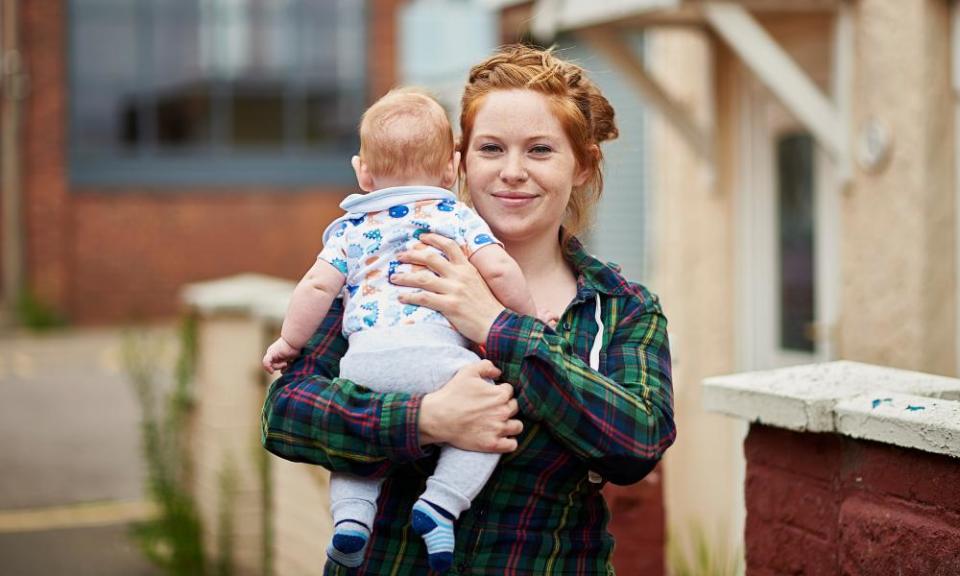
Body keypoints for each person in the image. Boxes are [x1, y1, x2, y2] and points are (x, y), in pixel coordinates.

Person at [261, 44, 676, 575]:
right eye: (491, 149)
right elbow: (287, 414)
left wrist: (497, 326)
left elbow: (637, 444)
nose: (513, 172)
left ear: (582, 165)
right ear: (457, 162)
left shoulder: (621, 310)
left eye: (541, 150)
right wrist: (423, 420)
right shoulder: (392, 268)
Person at [261, 87, 539, 571]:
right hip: (437, 362)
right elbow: (497, 271)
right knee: (486, 414)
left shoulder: (349, 229)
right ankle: (440, 505)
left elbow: (314, 287)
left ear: (363, 171)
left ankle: (351, 520)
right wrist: (528, 320)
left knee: (357, 450)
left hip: (363, 364)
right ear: (453, 169)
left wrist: (289, 341)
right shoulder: (453, 216)